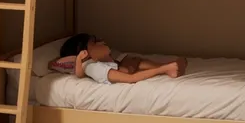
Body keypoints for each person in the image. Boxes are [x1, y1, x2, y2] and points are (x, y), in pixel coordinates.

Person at [49, 33, 187, 85]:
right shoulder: (91, 67)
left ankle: (166, 65)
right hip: (120, 72)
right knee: (131, 73)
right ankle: (165, 68)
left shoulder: (97, 60)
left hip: (118, 66)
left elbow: (115, 61)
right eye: (94, 43)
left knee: (134, 59)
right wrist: (78, 60)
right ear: (84, 51)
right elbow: (130, 78)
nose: (99, 43)